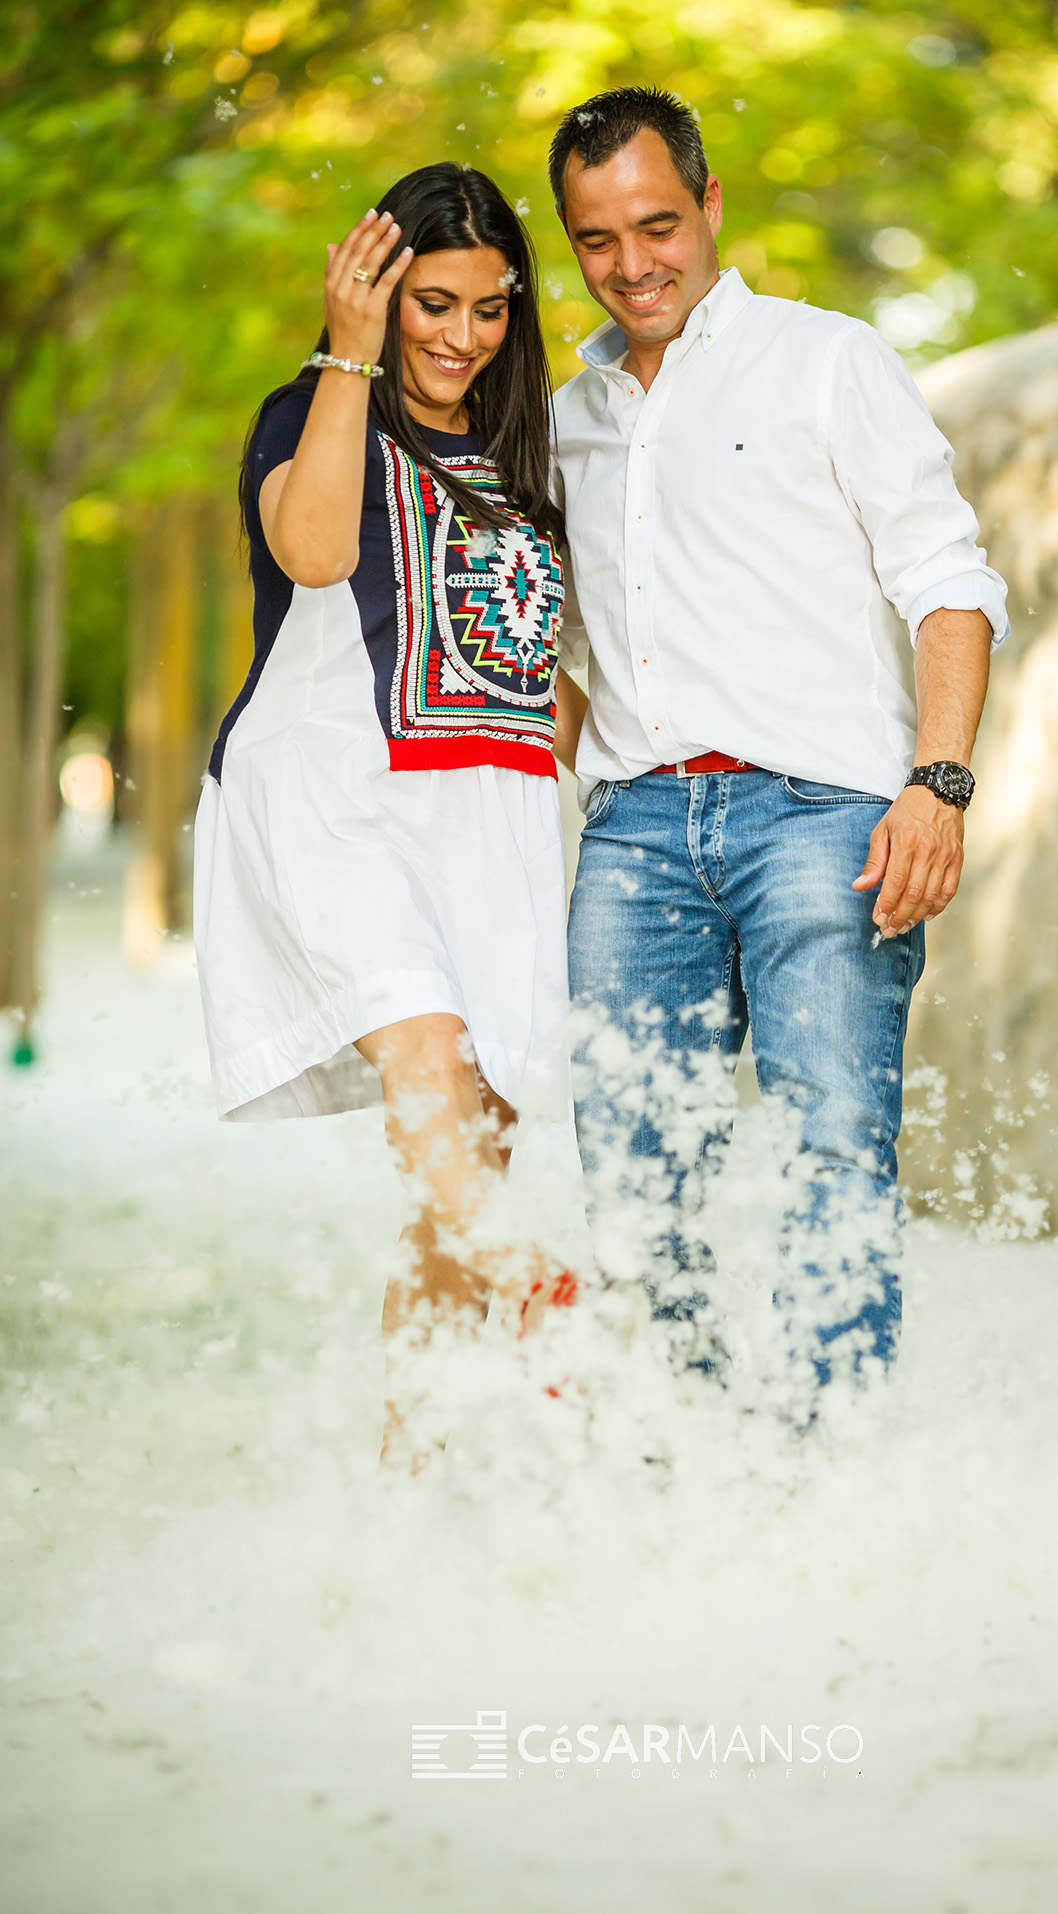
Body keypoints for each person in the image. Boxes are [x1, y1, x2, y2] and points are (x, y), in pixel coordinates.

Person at [548, 89, 1009, 1403]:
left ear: (710, 206)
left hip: (825, 820)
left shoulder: (828, 359)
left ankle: (829, 1469)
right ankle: (679, 1456)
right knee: (634, 1167)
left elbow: (949, 582)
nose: (634, 263)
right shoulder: (564, 418)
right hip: (634, 835)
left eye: (657, 224)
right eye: (596, 239)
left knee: (835, 1143)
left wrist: (937, 783)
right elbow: (569, 655)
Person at [194, 164, 591, 1460]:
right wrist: (349, 357)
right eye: (430, 302)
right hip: (337, 796)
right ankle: (561, 1321)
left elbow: (545, 663)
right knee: (426, 1069)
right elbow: (312, 551)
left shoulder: (528, 447)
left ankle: (407, 1476)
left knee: (459, 1170)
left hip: (498, 819)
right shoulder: (311, 412)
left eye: (486, 309)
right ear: (378, 289)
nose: (457, 336)